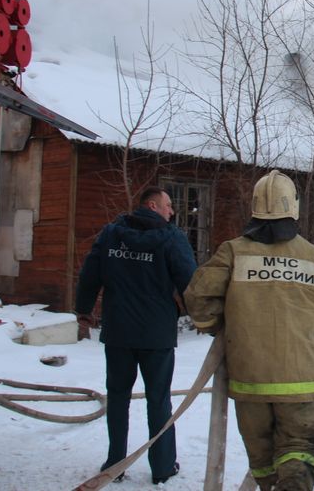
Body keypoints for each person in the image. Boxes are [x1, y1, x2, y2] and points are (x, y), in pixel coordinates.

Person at [184, 170, 314, 491]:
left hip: (249, 385)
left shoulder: (232, 252)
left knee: (263, 465)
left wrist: (224, 325)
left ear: (255, 207)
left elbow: (199, 299)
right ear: (294, 207)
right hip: (301, 383)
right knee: (302, 453)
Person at [75, 186, 196, 485]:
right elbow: (191, 282)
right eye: (168, 205)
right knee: (159, 400)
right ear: (153, 205)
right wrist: (203, 315)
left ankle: (114, 464)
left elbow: (90, 273)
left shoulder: (111, 234)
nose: (172, 211)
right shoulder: (171, 238)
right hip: (156, 336)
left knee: (117, 398)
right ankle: (163, 466)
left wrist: (83, 309)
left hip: (118, 332)